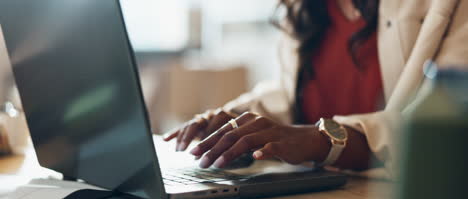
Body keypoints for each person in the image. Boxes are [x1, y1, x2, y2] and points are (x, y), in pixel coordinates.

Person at [164, 0, 468, 177]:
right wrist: (233, 121)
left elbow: (450, 116)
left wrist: (325, 140)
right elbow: (291, 94)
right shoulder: (306, 7)